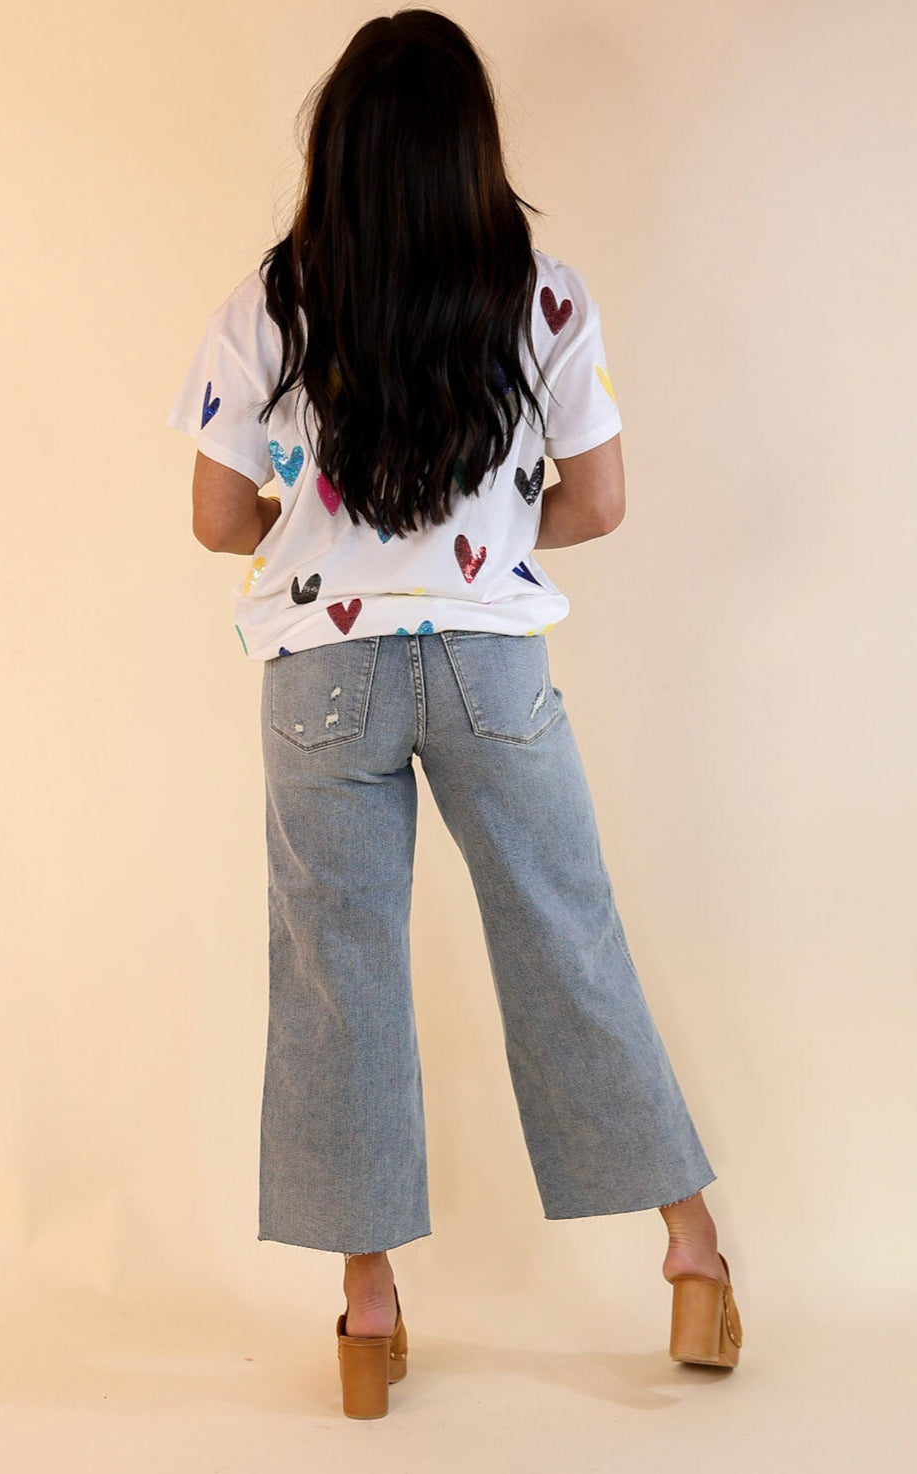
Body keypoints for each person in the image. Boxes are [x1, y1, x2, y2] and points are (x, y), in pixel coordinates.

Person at [166, 5, 742, 1419]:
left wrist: (319, 539)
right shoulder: (544, 295)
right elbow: (600, 500)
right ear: (471, 149)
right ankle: (691, 1253)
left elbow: (215, 518)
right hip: (492, 665)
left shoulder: (269, 305)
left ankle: (368, 1311)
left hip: (321, 679)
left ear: (340, 149)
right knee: (569, 940)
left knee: (339, 978)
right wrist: (481, 543)